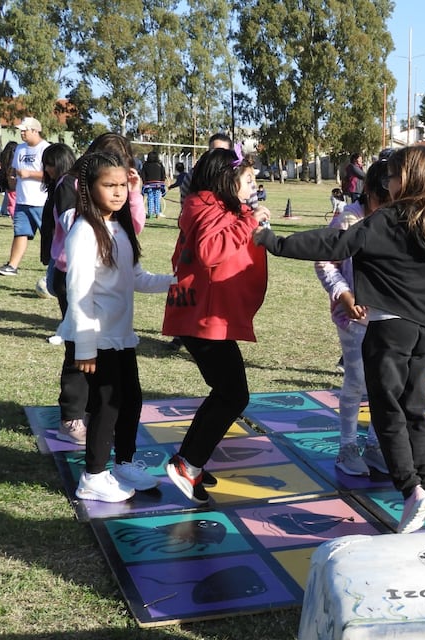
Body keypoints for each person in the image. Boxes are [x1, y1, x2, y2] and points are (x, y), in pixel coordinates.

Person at [255, 145, 425, 534]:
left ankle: (412, 490)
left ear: (407, 180)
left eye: (393, 177)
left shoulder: (388, 220)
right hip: (424, 334)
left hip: (387, 330)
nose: (388, 184)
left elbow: (334, 244)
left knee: (387, 410)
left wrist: (274, 241)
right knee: (415, 409)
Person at [57, 152, 174, 502]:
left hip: (121, 336)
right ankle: (93, 475)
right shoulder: (83, 231)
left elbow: (136, 277)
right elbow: (78, 291)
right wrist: (86, 346)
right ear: (88, 188)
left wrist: (174, 282)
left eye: (123, 184)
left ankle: (124, 463)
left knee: (130, 400)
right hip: (99, 337)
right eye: (109, 185)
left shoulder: (119, 228)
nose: (118, 192)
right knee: (107, 406)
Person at [162, 148, 272, 504]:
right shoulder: (207, 207)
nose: (253, 186)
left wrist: (249, 217)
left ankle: (192, 459)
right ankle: (187, 463)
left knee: (225, 392)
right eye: (248, 179)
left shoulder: (212, 206)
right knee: (233, 394)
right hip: (202, 319)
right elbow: (210, 251)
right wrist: (248, 221)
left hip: (206, 316)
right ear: (228, 179)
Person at [314, 161, 392, 476]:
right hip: (354, 316)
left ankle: (374, 444)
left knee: (384, 382)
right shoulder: (348, 219)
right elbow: (324, 261)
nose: (386, 208)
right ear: (369, 191)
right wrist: (344, 295)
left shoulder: (394, 218)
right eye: (381, 201)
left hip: (386, 314)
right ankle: (347, 446)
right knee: (357, 380)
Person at [36, 144, 87, 444]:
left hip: (75, 273)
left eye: (49, 164)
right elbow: (67, 225)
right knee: (76, 343)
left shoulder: (67, 184)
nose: (46, 170)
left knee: (82, 342)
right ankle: (72, 415)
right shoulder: (67, 185)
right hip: (67, 272)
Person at [0, 117, 50, 275]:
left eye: (25, 130)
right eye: (21, 130)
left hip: (41, 201)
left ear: (35, 131)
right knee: (20, 232)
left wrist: (30, 173)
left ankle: (56, 268)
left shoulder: (46, 149)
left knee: (49, 236)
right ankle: (12, 266)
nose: (22, 133)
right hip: (22, 200)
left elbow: (52, 174)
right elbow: (16, 172)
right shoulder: (20, 149)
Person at [140, 151, 166, 218]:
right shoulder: (159, 164)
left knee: (150, 198)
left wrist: (144, 182)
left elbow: (142, 174)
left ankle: (150, 213)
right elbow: (163, 174)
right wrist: (162, 181)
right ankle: (157, 213)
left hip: (149, 184)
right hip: (158, 184)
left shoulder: (145, 165)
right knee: (157, 198)